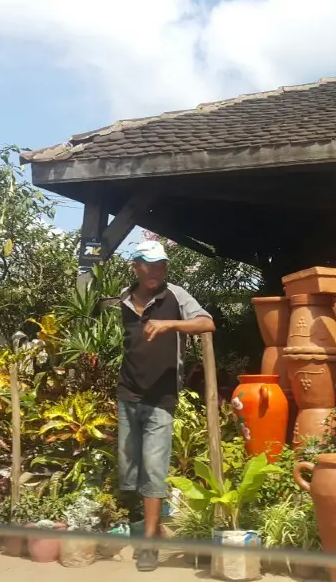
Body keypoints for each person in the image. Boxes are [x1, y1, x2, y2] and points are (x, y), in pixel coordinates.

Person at [115, 240, 215, 572]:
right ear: (136, 267)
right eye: (149, 264)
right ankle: (147, 523)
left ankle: (150, 543)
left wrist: (171, 324)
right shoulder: (124, 300)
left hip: (162, 397)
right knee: (130, 469)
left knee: (153, 467)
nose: (156, 270)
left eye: (160, 265)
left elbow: (207, 323)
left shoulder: (176, 295)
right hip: (128, 393)